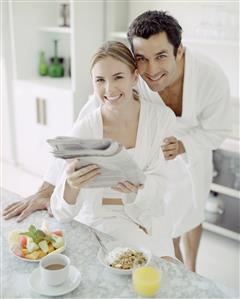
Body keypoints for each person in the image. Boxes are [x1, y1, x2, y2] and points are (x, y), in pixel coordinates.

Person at [3, 11, 231, 270]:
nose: (152, 70)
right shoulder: (131, 80)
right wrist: (47, 190)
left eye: (161, 56)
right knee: (166, 232)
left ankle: (192, 270)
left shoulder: (210, 78)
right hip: (147, 167)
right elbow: (79, 136)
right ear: (134, 65)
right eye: (142, 59)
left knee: (190, 216)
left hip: (189, 157)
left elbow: (218, 130)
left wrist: (182, 144)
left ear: (179, 51)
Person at [49, 41, 178, 257]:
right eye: (100, 80)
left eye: (118, 77)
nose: (109, 89)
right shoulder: (85, 129)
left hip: (148, 216)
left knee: (168, 269)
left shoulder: (161, 119)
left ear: (134, 77)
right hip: (101, 221)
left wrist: (138, 189)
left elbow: (161, 184)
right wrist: (72, 185)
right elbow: (61, 212)